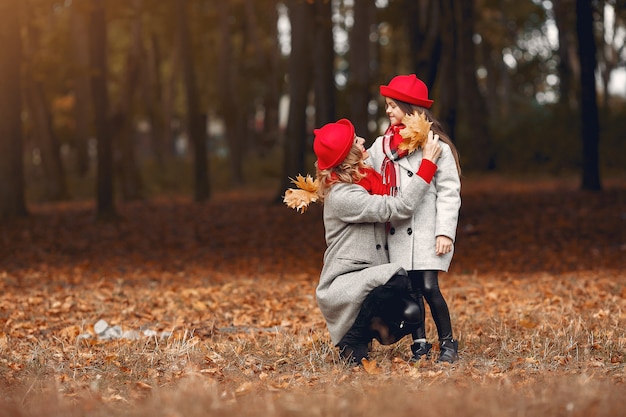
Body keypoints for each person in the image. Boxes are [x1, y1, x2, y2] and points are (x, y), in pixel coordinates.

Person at [284, 118, 442, 365]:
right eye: (357, 140)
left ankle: (367, 333)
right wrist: (428, 164)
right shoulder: (344, 196)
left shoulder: (362, 179)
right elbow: (402, 206)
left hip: (368, 275)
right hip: (346, 281)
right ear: (348, 156)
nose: (363, 141)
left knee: (409, 310)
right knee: (396, 278)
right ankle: (353, 336)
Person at [367, 74, 462, 363]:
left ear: (410, 109)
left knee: (430, 287)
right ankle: (420, 343)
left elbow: (449, 192)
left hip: (425, 231)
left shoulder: (436, 147)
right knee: (410, 291)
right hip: (396, 231)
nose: (388, 111)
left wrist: (444, 232)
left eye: (393, 105)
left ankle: (448, 342)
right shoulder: (382, 146)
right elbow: (362, 170)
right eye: (386, 105)